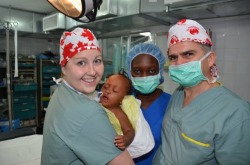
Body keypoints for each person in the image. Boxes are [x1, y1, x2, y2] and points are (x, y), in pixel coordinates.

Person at [153, 19, 250, 165]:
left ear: (210, 59)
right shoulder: (178, 94)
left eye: (188, 54)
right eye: (173, 57)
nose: (179, 64)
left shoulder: (235, 112)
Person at [41, 27, 134, 165]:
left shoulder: (60, 92)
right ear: (64, 67)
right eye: (81, 62)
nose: (92, 71)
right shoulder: (88, 111)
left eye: (97, 61)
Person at [126, 43, 171, 164]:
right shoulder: (123, 103)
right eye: (137, 71)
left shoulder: (172, 104)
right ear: (130, 73)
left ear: (160, 72)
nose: (144, 77)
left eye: (151, 71)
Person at [100, 73, 155, 158]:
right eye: (105, 87)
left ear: (122, 99)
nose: (107, 91)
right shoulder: (96, 104)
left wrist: (125, 140)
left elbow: (129, 131)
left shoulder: (118, 112)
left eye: (114, 90)